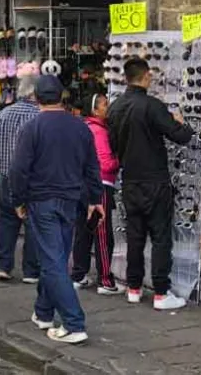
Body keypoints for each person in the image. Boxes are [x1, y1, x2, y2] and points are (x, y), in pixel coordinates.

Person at [9, 74, 104, 344]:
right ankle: (43, 312)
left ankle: (74, 323)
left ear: (36, 98)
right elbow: (92, 167)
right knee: (57, 259)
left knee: (51, 262)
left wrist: (18, 199)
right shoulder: (81, 128)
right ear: (61, 96)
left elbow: (19, 169)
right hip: (71, 201)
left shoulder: (32, 127)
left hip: (42, 200)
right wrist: (95, 199)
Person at [105, 57, 194, 310]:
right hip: (154, 180)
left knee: (135, 237)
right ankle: (161, 293)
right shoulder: (152, 106)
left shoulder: (115, 108)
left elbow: (112, 145)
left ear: (125, 78)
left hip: (129, 181)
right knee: (160, 238)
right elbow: (181, 137)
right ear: (146, 77)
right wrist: (180, 122)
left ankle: (134, 287)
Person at [0, 73, 42, 284]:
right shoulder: (39, 116)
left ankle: (3, 265)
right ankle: (30, 270)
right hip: (31, 176)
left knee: (6, 220)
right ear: (35, 94)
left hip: (5, 174)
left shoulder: (3, 114)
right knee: (32, 221)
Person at [71, 92, 124, 295]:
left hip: (83, 185)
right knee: (102, 233)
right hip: (100, 185)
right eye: (104, 105)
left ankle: (79, 275)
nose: (108, 108)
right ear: (95, 110)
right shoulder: (99, 132)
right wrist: (119, 159)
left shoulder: (85, 128)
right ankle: (105, 280)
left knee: (83, 231)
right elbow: (105, 163)